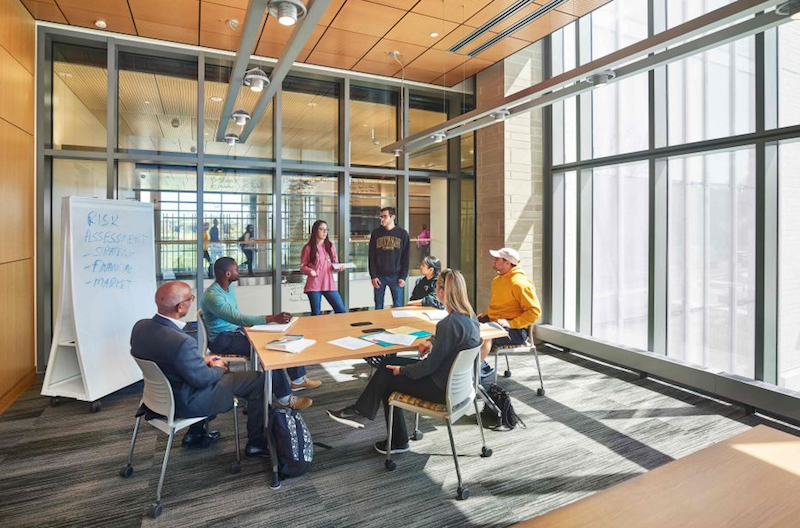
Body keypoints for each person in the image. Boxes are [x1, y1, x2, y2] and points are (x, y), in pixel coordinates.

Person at [327, 269, 481, 455]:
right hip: (458, 388)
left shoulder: (447, 324)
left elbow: (428, 366)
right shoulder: (470, 318)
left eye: (437, 288)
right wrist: (432, 341)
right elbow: (448, 342)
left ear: (442, 291)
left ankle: (389, 434)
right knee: (388, 363)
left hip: (440, 389)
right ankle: (362, 412)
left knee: (387, 378)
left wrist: (403, 371)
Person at [130, 281, 269, 457]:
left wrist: (202, 359)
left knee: (214, 371)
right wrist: (218, 367)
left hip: (156, 399)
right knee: (256, 379)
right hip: (185, 402)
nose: (192, 301)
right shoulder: (181, 342)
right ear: (180, 307)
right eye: (190, 298)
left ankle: (195, 433)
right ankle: (256, 443)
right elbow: (203, 379)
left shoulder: (140, 327)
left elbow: (167, 358)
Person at [201, 257, 320, 410]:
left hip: (235, 332)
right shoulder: (213, 297)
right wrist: (271, 318)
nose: (240, 271)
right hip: (223, 339)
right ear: (228, 274)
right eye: (237, 269)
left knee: (282, 339)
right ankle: (286, 398)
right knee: (269, 351)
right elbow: (238, 318)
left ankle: (298, 379)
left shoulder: (228, 287)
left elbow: (237, 318)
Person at [477, 247, 541, 379]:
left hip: (516, 330)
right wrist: (487, 314)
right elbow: (501, 305)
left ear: (507, 263)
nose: (493, 260)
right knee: (465, 326)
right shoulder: (497, 280)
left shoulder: (520, 283)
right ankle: (480, 367)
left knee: (481, 336)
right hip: (497, 323)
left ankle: (475, 373)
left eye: (497, 258)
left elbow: (534, 312)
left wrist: (511, 323)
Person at [300, 220, 347, 316]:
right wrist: (310, 271)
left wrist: (339, 268)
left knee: (341, 310)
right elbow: (302, 267)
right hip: (314, 285)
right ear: (315, 230)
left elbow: (334, 264)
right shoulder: (308, 248)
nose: (325, 232)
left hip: (328, 283)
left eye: (326, 229)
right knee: (316, 314)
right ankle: (315, 331)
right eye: (321, 229)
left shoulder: (330, 246)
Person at [368, 206, 410, 310]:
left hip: (396, 276)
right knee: (378, 306)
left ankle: (397, 326)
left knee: (398, 306)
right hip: (379, 276)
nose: (382, 219)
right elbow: (371, 256)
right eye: (381, 217)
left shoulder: (402, 234)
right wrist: (373, 275)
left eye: (385, 217)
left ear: (393, 217)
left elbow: (406, 257)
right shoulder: (376, 233)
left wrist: (403, 276)